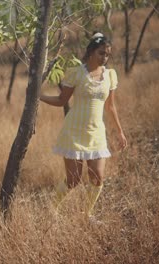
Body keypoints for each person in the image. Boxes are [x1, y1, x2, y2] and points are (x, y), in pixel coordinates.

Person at [40, 32, 127, 219]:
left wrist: (119, 132)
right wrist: (38, 96)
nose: (105, 58)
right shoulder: (77, 73)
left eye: (107, 54)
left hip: (96, 132)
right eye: (101, 53)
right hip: (74, 132)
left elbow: (111, 107)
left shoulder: (110, 75)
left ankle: (87, 214)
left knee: (98, 178)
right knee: (73, 180)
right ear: (90, 52)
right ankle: (51, 210)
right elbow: (62, 100)